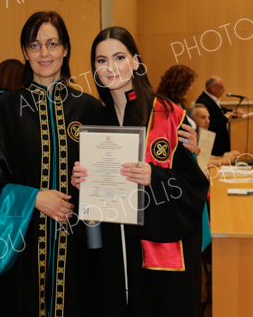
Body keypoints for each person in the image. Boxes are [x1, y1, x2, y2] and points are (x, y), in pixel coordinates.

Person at [0, 11, 107, 317]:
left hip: (78, 246)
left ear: (66, 49)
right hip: (22, 243)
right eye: (34, 45)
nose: (44, 53)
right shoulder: (2, 108)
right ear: (25, 52)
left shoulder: (89, 108)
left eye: (52, 44)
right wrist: (34, 197)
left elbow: (109, 177)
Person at [72, 26, 210, 317]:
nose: (111, 67)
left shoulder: (170, 115)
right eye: (101, 61)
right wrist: (81, 183)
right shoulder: (95, 121)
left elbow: (194, 187)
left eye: (119, 57)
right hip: (111, 254)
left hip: (157, 257)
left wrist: (155, 178)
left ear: (135, 61)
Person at [195, 76, 244, 156]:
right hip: (214, 143)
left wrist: (232, 111)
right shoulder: (203, 101)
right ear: (213, 87)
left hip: (219, 141)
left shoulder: (210, 99)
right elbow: (210, 122)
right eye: (221, 87)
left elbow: (219, 110)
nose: (224, 90)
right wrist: (225, 117)